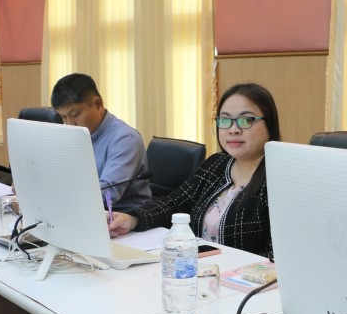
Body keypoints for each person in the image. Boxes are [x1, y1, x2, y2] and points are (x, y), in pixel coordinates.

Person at [108, 83, 279, 259]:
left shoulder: (279, 179)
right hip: (200, 268)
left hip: (245, 274)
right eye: (225, 120)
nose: (233, 129)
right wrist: (132, 219)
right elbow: (174, 203)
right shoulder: (217, 164)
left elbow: (278, 253)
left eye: (246, 120)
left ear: (269, 124)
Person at [51, 73, 152, 211]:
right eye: (63, 117)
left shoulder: (125, 139)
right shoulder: (76, 133)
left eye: (75, 115)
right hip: (84, 211)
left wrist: (59, 196)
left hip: (123, 216)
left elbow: (108, 193)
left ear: (98, 104)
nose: (70, 123)